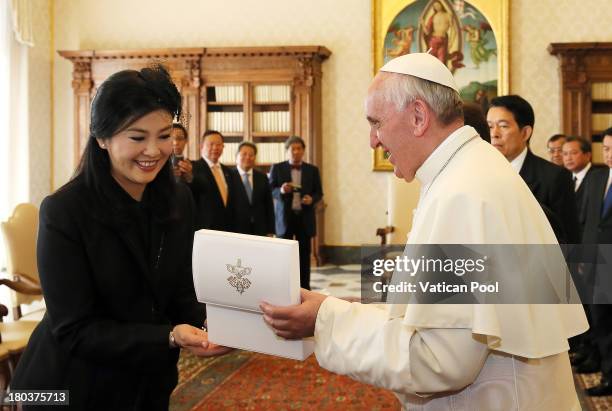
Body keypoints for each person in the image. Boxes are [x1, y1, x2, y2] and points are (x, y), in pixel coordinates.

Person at [260, 53, 587, 410]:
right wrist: (337, 306)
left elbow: (438, 360)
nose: (372, 140)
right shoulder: (471, 169)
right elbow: (434, 315)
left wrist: (324, 320)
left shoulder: (461, 193)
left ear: (418, 116)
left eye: (376, 123)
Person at [10, 66, 229, 410]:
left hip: (147, 380)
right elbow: (74, 329)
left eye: (164, 135)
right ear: (102, 138)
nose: (154, 151)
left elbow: (181, 289)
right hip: (66, 386)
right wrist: (169, 336)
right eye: (138, 138)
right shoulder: (64, 210)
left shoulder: (178, 200)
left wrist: (216, 323)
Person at [487, 95, 580, 244]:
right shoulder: (482, 175)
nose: (494, 134)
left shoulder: (555, 177)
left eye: (503, 126)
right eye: (490, 126)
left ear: (525, 133)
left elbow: (569, 240)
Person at [579, 129, 612, 396]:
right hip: (597, 264)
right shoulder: (597, 178)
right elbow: (588, 222)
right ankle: (608, 375)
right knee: (600, 322)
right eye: (607, 148)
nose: (609, 154)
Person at [269, 136, 322, 290]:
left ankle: (305, 288)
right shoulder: (277, 168)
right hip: (285, 218)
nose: (296, 151)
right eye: (293, 148)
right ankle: (283, 288)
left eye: (299, 148)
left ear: (303, 151)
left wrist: (311, 199)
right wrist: (281, 190)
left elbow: (319, 192)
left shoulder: (312, 170)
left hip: (304, 217)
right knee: (283, 255)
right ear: (287, 151)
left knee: (304, 256)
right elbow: (270, 190)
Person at [187, 130, 235, 231]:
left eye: (218, 144)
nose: (215, 148)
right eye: (211, 144)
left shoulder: (229, 171)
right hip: (204, 229)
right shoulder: (193, 168)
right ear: (201, 146)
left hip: (228, 228)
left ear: (223, 147)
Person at [230, 142, 275, 236]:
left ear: (255, 157)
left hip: (260, 229)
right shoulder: (228, 176)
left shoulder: (262, 177)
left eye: (251, 155)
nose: (247, 157)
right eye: (244, 154)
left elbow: (269, 205)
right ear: (237, 156)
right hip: (235, 229)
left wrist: (271, 230)